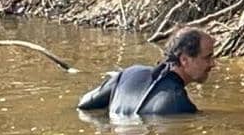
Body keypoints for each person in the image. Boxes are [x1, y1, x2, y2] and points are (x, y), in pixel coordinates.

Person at [77, 27, 217, 116]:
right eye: (207, 57)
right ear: (184, 60)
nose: (213, 64)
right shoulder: (179, 104)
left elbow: (84, 105)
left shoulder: (130, 73)